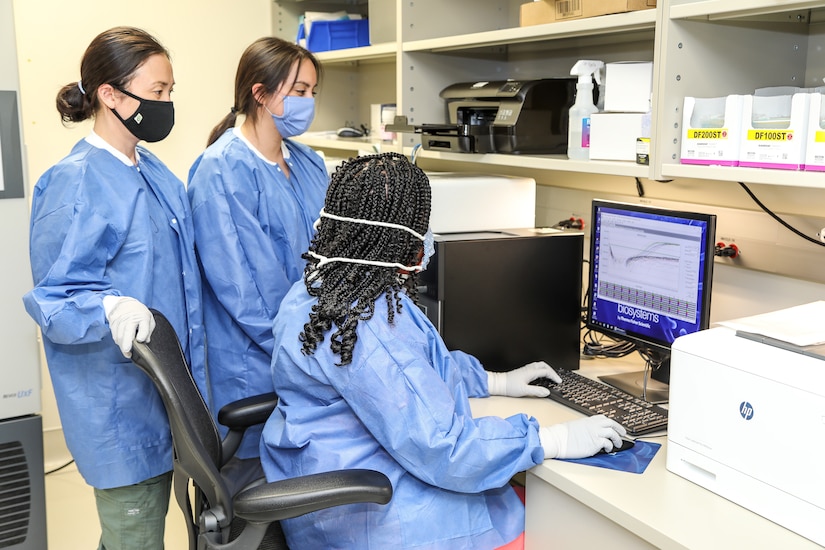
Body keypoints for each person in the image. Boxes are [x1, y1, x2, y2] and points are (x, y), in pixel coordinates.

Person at [259, 152, 627, 549]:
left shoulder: (321, 290)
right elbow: (445, 449)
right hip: (378, 518)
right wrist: (552, 440)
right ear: (398, 236)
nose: (427, 237)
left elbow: (414, 370)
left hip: (331, 483)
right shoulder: (365, 324)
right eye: (421, 227)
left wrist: (494, 381)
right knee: (554, 530)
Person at [22, 27, 204, 550]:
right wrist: (109, 306)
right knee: (135, 535)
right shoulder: (74, 180)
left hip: (169, 396)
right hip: (120, 408)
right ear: (110, 94)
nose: (167, 104)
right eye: (157, 92)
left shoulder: (155, 174)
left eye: (170, 92)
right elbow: (56, 299)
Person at [187, 37, 328, 459]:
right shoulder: (221, 170)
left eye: (312, 93)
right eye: (299, 91)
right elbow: (248, 294)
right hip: (256, 366)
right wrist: (310, 354)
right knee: (254, 494)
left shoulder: (308, 163)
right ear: (261, 94)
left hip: (311, 350)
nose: (308, 102)